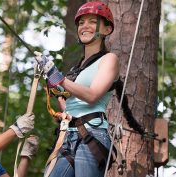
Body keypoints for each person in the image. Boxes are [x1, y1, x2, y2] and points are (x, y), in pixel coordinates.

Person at [35, 1, 119, 177]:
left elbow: (93, 95)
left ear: (106, 30)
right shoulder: (76, 69)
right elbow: (71, 109)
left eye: (92, 21)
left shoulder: (109, 59)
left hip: (92, 133)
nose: (84, 26)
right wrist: (56, 90)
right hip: (68, 135)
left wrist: (60, 79)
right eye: (81, 22)